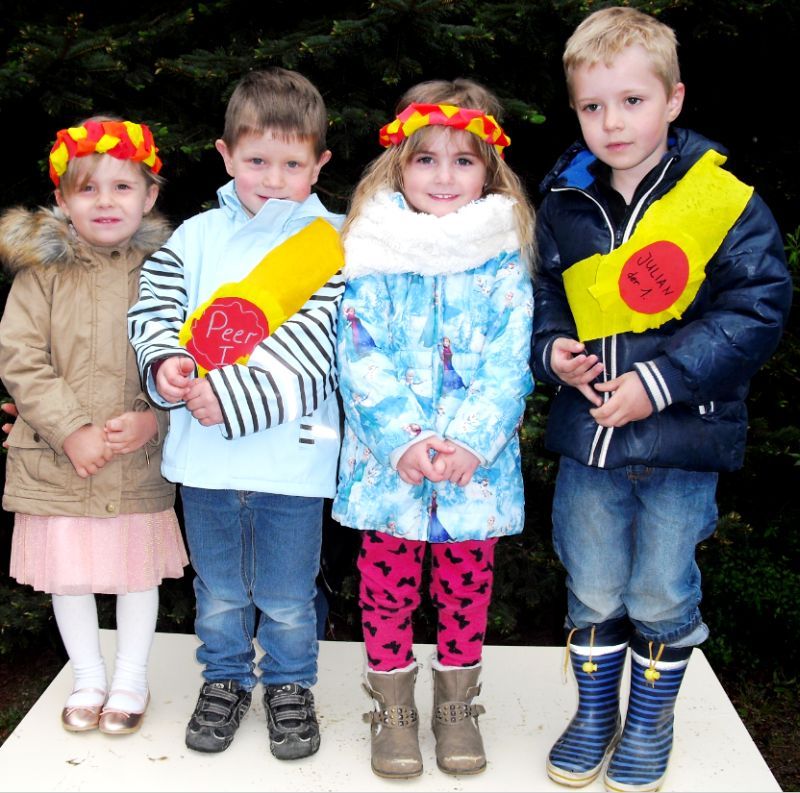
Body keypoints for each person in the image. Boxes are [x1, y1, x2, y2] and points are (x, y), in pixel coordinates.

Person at [530, 7, 793, 792]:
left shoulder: (725, 201)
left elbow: (757, 309)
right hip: (588, 443)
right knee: (592, 585)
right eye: (592, 105)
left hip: (684, 441)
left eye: (632, 101)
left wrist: (660, 382)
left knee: (660, 590)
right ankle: (593, 712)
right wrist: (553, 353)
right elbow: (541, 293)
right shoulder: (562, 200)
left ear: (674, 99)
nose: (611, 122)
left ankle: (650, 718)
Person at [127, 67, 344, 760]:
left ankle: (287, 684)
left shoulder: (337, 241)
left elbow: (323, 345)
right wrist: (166, 364)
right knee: (218, 588)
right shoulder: (194, 237)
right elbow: (154, 308)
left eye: (292, 163)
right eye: (256, 160)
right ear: (225, 155)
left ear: (320, 164)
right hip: (206, 457)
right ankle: (223, 679)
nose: (273, 178)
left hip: (293, 456)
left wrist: (235, 396)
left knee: (286, 592)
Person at [332, 78, 536, 778]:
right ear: (398, 164)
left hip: (472, 476)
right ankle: (392, 709)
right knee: (385, 591)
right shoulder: (370, 248)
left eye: (463, 160)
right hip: (392, 471)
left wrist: (470, 441)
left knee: (465, 592)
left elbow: (511, 363)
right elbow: (358, 353)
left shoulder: (504, 258)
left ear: (489, 169)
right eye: (426, 159)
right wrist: (407, 441)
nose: (443, 176)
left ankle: (455, 706)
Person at [0, 118, 188, 736]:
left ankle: (130, 678)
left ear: (150, 195)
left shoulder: (169, 269)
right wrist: (69, 427)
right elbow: (21, 358)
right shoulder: (40, 274)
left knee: (136, 570)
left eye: (122, 187)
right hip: (57, 457)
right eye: (87, 189)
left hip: (134, 455)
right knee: (67, 572)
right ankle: (87, 675)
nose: (105, 202)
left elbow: (187, 354)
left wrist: (154, 417)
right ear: (61, 198)